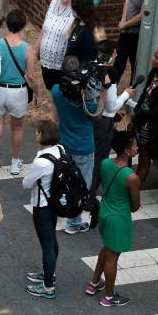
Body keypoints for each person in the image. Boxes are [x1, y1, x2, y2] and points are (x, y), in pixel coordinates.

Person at [0, 10, 39, 176]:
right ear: (23, 26)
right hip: (17, 93)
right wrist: (37, 94)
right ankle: (15, 163)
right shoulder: (27, 48)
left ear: (7, 24)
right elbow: (31, 76)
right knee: (17, 128)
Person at [51, 56, 106, 234]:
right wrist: (102, 90)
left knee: (65, 181)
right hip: (84, 147)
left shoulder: (56, 91)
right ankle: (74, 223)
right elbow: (97, 115)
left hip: (65, 144)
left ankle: (63, 209)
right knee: (81, 185)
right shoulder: (87, 99)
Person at [87, 130, 140, 307]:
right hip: (118, 218)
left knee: (106, 250)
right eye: (134, 145)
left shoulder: (106, 163)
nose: (137, 147)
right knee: (112, 258)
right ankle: (108, 296)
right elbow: (135, 206)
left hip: (104, 213)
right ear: (127, 150)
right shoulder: (131, 177)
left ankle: (94, 283)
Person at [89, 43, 133, 208]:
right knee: (99, 161)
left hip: (90, 119)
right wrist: (126, 95)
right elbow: (111, 106)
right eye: (114, 54)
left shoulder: (90, 69)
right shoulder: (109, 75)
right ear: (107, 56)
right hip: (103, 122)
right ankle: (89, 197)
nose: (116, 56)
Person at [23, 120, 62, 298]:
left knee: (46, 245)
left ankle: (48, 286)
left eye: (37, 132)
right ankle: (49, 274)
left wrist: (37, 155)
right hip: (54, 202)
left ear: (41, 134)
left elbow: (26, 183)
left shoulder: (41, 161)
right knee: (52, 239)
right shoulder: (60, 150)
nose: (35, 134)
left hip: (42, 206)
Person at [133, 44, 158, 186]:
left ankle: (134, 189)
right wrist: (137, 110)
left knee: (144, 158)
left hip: (152, 127)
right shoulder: (154, 73)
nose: (152, 59)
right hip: (141, 121)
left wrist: (142, 116)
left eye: (156, 57)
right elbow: (145, 94)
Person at [36, 0, 77, 91]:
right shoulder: (53, 3)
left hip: (61, 59)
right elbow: (44, 26)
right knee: (50, 88)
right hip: (45, 56)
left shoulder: (75, 10)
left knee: (59, 89)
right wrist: (38, 47)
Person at [113, 0, 148, 83]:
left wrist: (126, 24)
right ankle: (112, 86)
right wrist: (123, 20)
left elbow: (141, 15)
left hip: (135, 32)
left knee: (134, 61)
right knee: (119, 59)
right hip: (126, 28)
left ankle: (133, 90)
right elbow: (127, 1)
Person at [65, 0, 100, 64]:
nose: (71, 8)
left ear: (79, 10)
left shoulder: (86, 32)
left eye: (73, 7)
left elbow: (89, 57)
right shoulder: (78, 25)